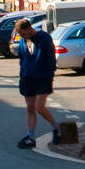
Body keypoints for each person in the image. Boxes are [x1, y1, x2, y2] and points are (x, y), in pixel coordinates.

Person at [15, 18, 59, 148]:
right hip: (27, 78)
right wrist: (23, 73)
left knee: (40, 107)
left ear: (29, 28)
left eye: (23, 34)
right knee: (30, 108)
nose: (22, 37)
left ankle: (56, 128)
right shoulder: (23, 41)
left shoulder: (44, 38)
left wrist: (49, 75)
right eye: (20, 35)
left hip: (42, 77)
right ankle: (31, 137)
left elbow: (51, 59)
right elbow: (22, 58)